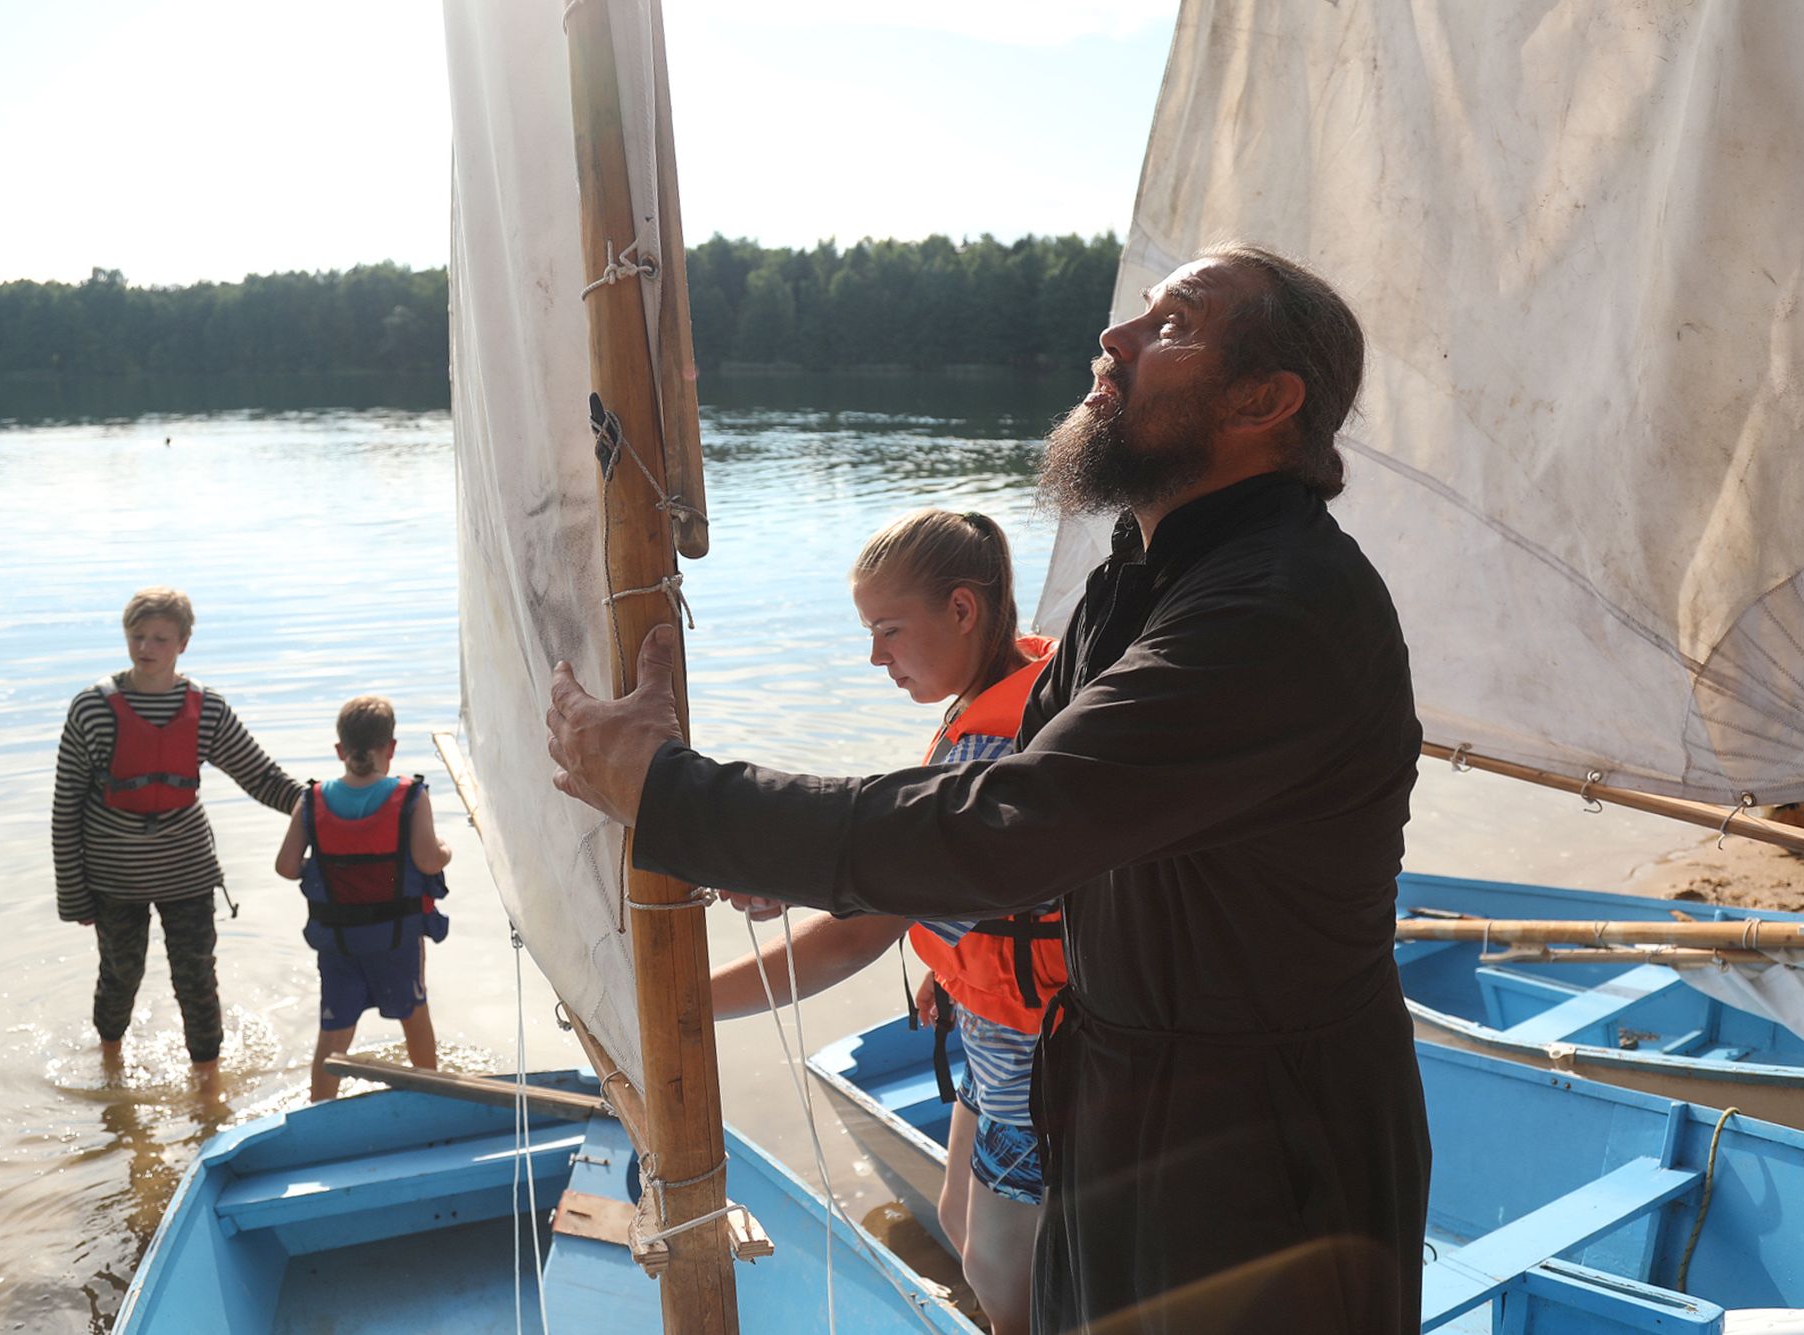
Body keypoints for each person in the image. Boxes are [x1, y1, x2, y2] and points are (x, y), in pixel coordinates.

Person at [545, 244, 1431, 1334]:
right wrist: (763, 853)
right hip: (1120, 1106)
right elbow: (1000, 803)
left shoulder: (1276, 611)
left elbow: (1004, 828)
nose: (1112, 341)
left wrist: (675, 797)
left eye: (1171, 327)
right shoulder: (1138, 579)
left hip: (1261, 1155)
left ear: (1264, 400)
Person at [709, 508, 1061, 1335]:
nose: (876, 657)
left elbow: (859, 932)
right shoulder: (1007, 692)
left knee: (1002, 1272)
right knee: (961, 1219)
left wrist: (690, 1003)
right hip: (989, 1022)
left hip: (1034, 1052)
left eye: (889, 631)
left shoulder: (990, 752)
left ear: (964, 609)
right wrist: (950, 964)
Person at [52, 587, 302, 1090]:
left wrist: (326, 807)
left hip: (186, 870)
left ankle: (207, 1083)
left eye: (160, 639)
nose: (146, 647)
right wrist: (72, 893)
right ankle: (110, 1065)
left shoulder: (206, 709)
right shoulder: (92, 709)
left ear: (183, 644)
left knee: (197, 978)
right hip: (113, 874)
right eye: (138, 636)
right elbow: (65, 807)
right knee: (120, 976)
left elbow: (262, 778)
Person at [273, 695, 451, 1102]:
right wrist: (446, 850)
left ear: (340, 750)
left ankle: (320, 1107)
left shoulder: (311, 800)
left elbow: (285, 866)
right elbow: (426, 862)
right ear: (390, 749)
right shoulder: (410, 797)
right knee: (414, 1015)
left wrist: (321, 870)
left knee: (334, 1032)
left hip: (339, 944)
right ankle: (431, 1097)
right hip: (396, 941)